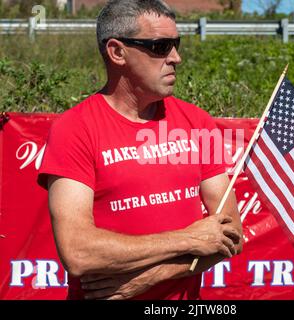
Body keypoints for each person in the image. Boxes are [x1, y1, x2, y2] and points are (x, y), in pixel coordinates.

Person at [38, 0, 242, 300]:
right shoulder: (74, 128)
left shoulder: (197, 121)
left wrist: (152, 276)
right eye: (161, 47)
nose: (176, 58)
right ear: (117, 52)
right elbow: (77, 252)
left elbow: (231, 235)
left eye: (176, 44)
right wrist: (188, 239)